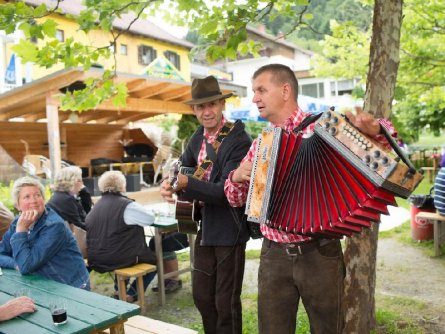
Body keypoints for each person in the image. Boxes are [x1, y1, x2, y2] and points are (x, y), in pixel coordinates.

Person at [224, 64, 397, 334]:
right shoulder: (261, 144)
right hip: (274, 256)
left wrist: (376, 131)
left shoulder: (323, 128)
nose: (254, 98)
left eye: (261, 90)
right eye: (253, 91)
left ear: (285, 90)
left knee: (328, 329)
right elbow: (235, 199)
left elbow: (380, 158)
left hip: (319, 252)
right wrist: (235, 178)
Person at [160, 75, 252, 334]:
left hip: (229, 229)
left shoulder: (237, 140)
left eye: (212, 104)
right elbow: (183, 167)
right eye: (201, 106)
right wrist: (171, 183)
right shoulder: (196, 138)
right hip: (204, 228)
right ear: (194, 110)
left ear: (222, 105)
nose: (207, 111)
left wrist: (186, 183)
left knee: (226, 302)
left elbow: (226, 192)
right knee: (201, 295)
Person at [0, 176, 90, 290]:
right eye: (27, 197)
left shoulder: (54, 226)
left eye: (37, 195)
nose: (34, 200)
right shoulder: (16, 223)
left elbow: (26, 266)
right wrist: (15, 263)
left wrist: (21, 232)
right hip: (44, 284)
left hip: (71, 287)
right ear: (17, 205)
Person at [85, 170, 158, 302]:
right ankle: (131, 294)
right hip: (117, 258)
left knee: (123, 251)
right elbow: (150, 219)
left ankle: (119, 291)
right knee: (154, 261)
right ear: (122, 186)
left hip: (96, 259)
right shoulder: (126, 205)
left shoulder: (95, 207)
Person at [47, 166, 92, 230]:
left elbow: (86, 216)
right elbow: (79, 227)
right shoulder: (66, 200)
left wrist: (85, 194)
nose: (82, 184)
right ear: (70, 182)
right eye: (79, 180)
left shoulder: (60, 196)